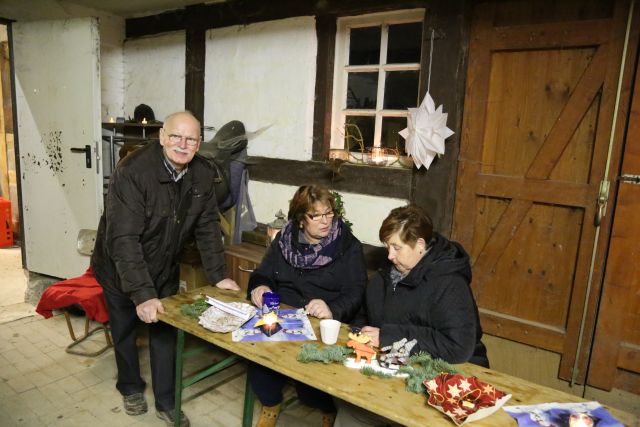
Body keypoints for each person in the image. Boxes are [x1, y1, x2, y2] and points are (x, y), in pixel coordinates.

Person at [91, 111, 239, 427]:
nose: (183, 145)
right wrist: (143, 295)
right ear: (161, 136)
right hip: (120, 268)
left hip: (163, 268)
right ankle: (130, 387)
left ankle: (167, 401)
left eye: (191, 139)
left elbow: (208, 228)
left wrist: (219, 276)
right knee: (125, 330)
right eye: (176, 136)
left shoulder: (201, 174)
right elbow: (124, 240)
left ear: (199, 143)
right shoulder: (132, 172)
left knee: (164, 335)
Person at [334, 204, 488, 427]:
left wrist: (387, 336)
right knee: (349, 405)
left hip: (455, 377)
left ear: (420, 245)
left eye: (397, 248)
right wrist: (361, 337)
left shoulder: (449, 283)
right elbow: (363, 317)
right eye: (387, 247)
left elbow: (458, 347)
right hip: (400, 370)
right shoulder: (382, 281)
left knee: (363, 413)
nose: (389, 256)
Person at [247, 185, 367, 427]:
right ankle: (271, 404)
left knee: (313, 379)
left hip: (323, 322)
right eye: (317, 215)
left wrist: (331, 308)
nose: (326, 221)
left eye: (329, 213)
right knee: (257, 355)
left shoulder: (347, 245)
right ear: (301, 219)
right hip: (285, 314)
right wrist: (259, 286)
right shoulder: (284, 239)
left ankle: (328, 410)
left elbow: (357, 291)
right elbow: (263, 273)